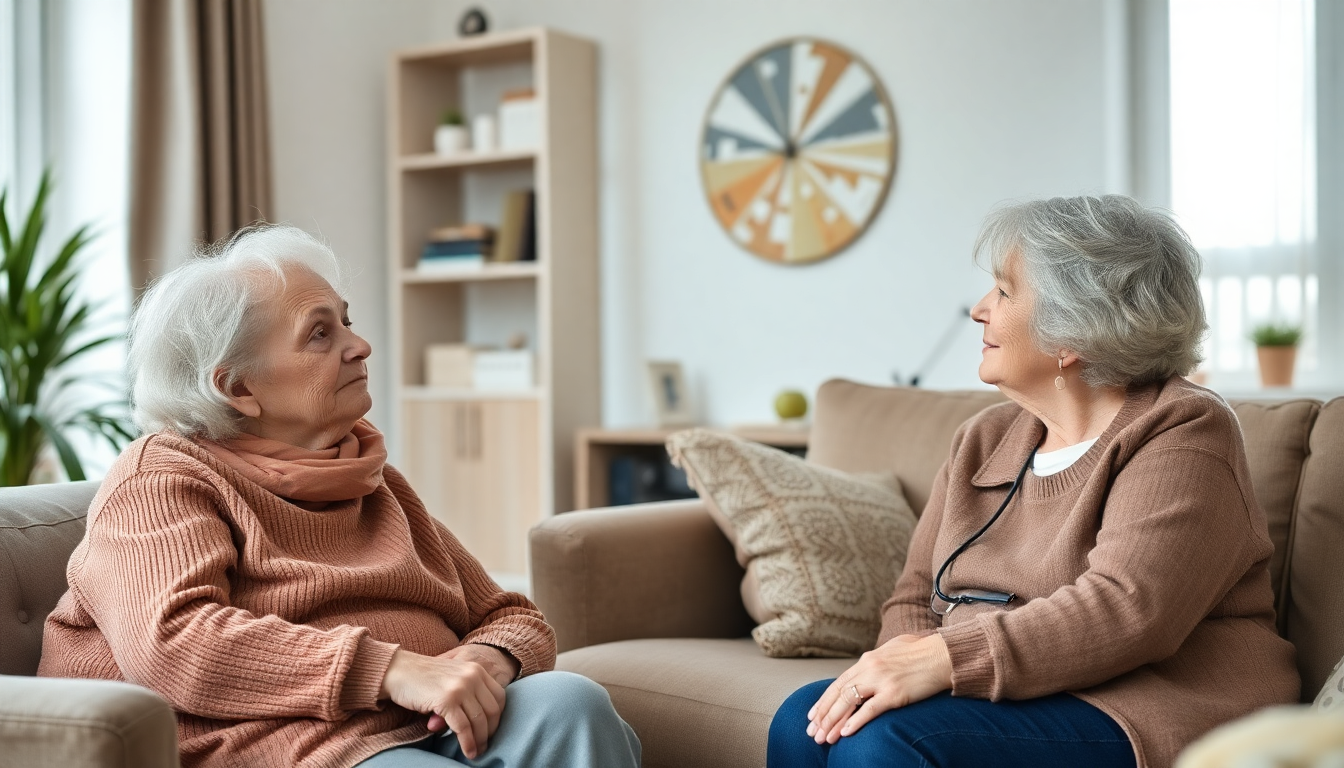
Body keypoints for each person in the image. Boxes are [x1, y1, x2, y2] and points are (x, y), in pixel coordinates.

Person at [38, 224, 641, 768]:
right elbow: (175, 643)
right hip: (275, 743)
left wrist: (486, 662)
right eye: (320, 334)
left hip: (415, 724)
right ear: (237, 387)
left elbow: (510, 616)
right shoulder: (164, 478)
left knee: (571, 702)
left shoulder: (368, 478)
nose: (360, 345)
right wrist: (393, 670)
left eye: (346, 321)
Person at [767, 195, 1300, 768]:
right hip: (1008, 694)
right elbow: (916, 591)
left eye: (1003, 291)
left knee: (887, 742)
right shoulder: (983, 438)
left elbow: (1127, 609)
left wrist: (942, 660)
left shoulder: (1184, 431)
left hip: (1149, 705)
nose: (978, 310)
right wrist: (903, 664)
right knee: (804, 721)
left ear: (1073, 331)